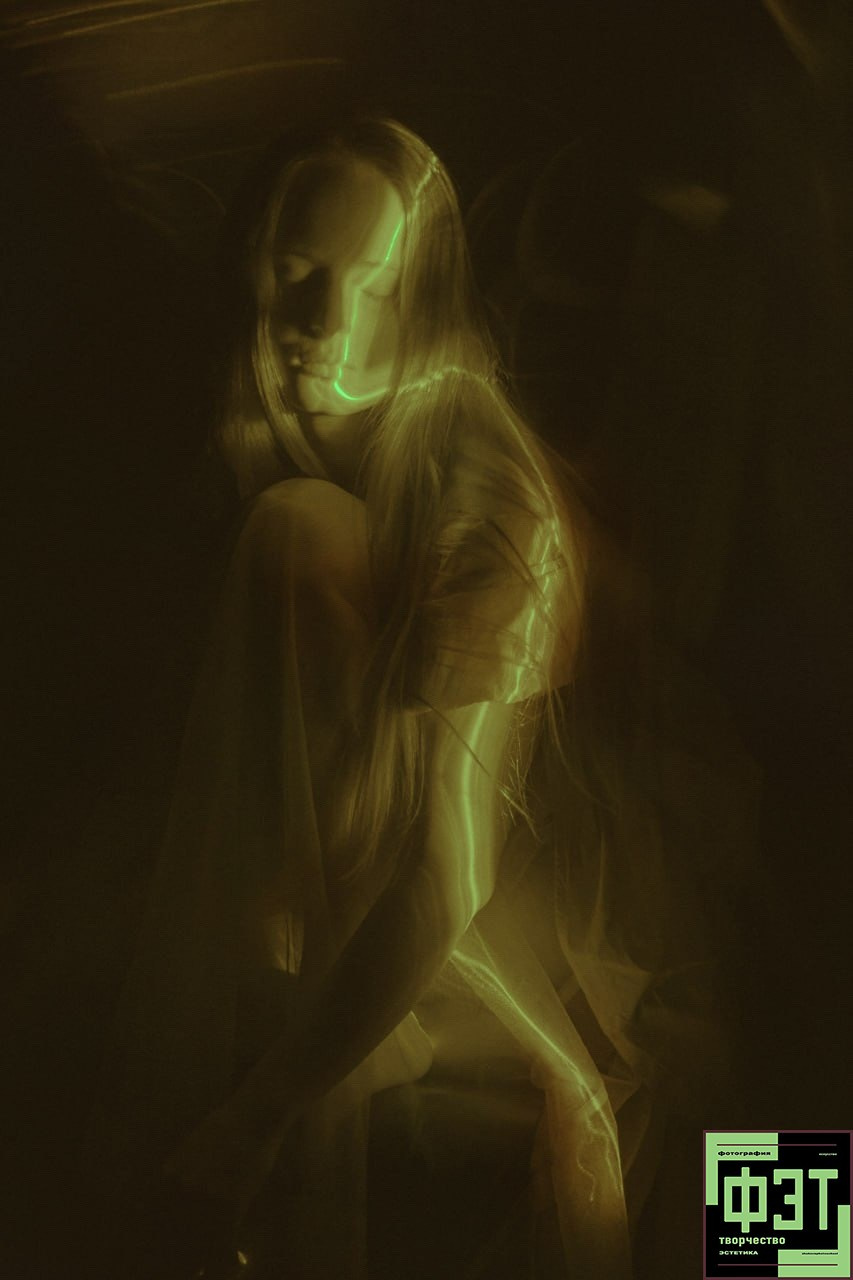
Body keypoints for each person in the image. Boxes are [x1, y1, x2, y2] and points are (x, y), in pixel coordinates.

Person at [80, 117, 725, 1280]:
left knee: (746, 1163)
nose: (324, 322)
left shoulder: (479, 497)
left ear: (415, 297)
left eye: (371, 285)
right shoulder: (251, 426)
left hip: (552, 889)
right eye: (296, 271)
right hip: (380, 880)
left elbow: (445, 874)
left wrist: (258, 1117)